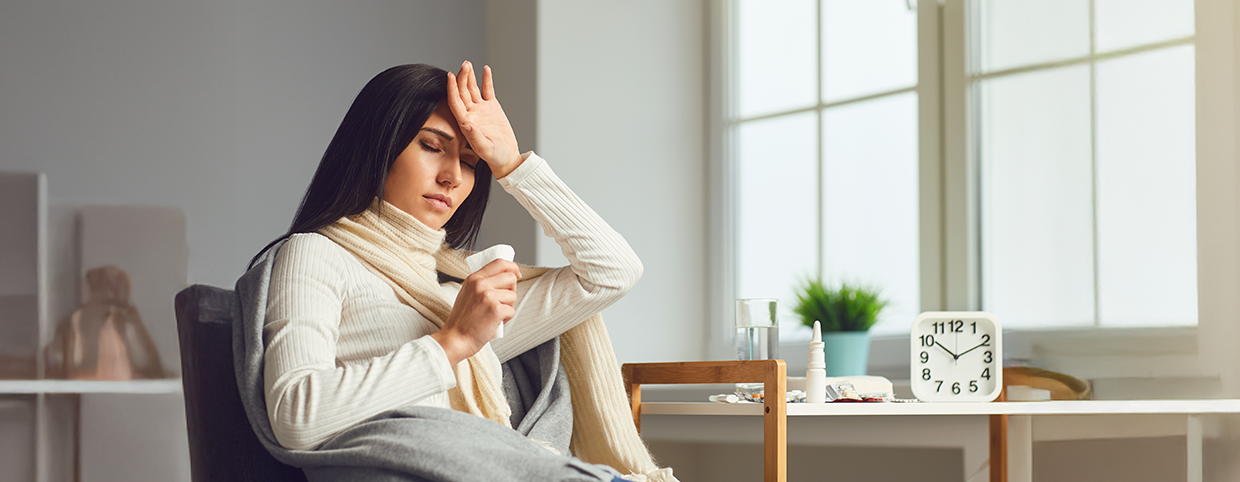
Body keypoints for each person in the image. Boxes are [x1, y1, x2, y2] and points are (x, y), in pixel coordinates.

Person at [246, 62, 674, 482]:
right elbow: (295, 417)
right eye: (432, 146)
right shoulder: (317, 253)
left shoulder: (454, 297)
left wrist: (511, 164)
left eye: (469, 162)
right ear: (377, 148)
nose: (453, 176)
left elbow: (612, 271)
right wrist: (454, 341)